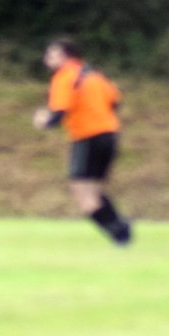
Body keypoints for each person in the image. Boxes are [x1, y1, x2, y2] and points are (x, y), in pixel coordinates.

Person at [31, 37, 132, 245]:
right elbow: (115, 101)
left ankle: (120, 233)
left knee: (83, 195)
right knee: (94, 190)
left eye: (51, 55)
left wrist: (43, 121)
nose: (46, 59)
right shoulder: (94, 74)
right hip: (110, 135)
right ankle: (120, 228)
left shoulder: (64, 76)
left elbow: (58, 112)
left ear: (65, 56)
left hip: (87, 137)